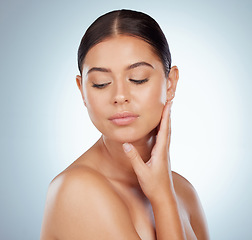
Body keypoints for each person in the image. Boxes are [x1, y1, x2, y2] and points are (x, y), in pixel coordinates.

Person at [40, 9, 209, 240]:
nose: (120, 96)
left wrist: (164, 194)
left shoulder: (182, 190)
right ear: (82, 90)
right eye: (101, 83)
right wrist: (161, 199)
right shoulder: (76, 190)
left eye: (138, 78)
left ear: (170, 84)